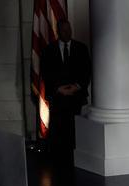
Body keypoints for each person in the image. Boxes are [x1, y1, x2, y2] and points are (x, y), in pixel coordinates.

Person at [41, 20, 92, 162]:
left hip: (76, 97)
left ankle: (76, 157)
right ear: (58, 31)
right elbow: (46, 73)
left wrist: (77, 86)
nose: (67, 32)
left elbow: (87, 71)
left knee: (75, 128)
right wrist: (58, 89)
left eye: (69, 29)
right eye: (64, 30)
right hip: (58, 97)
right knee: (59, 129)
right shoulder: (49, 50)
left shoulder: (81, 48)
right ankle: (59, 159)